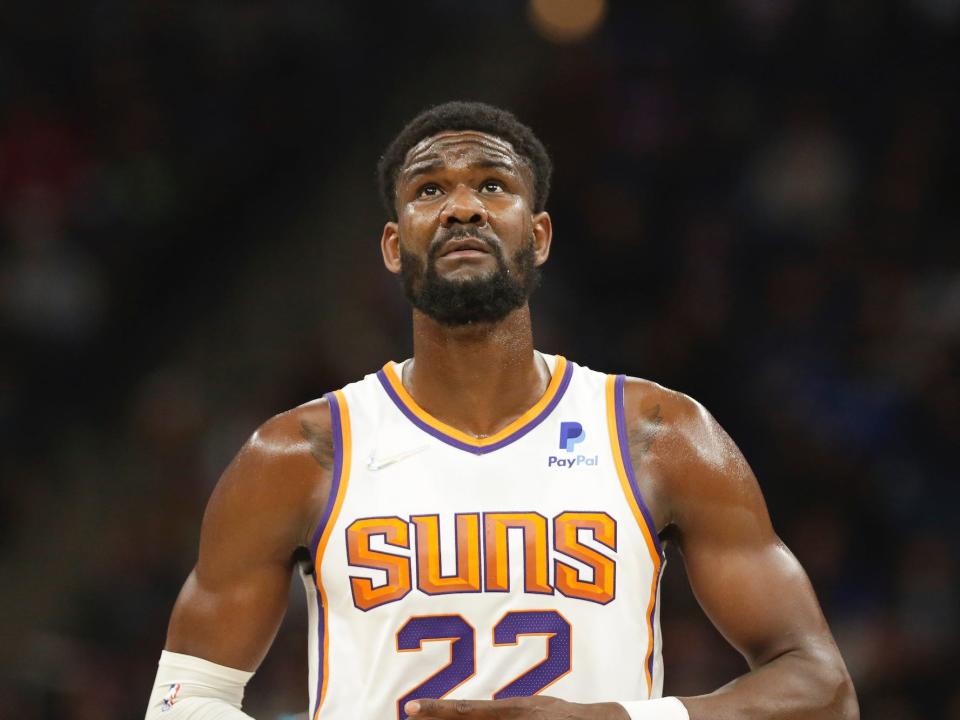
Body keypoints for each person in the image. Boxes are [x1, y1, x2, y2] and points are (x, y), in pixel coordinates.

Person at [144, 101, 858, 720]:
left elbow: (822, 690)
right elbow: (180, 700)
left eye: (492, 184)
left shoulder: (658, 435)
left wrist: (618, 718)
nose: (462, 206)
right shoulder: (299, 452)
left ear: (538, 235)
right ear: (394, 247)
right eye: (429, 189)